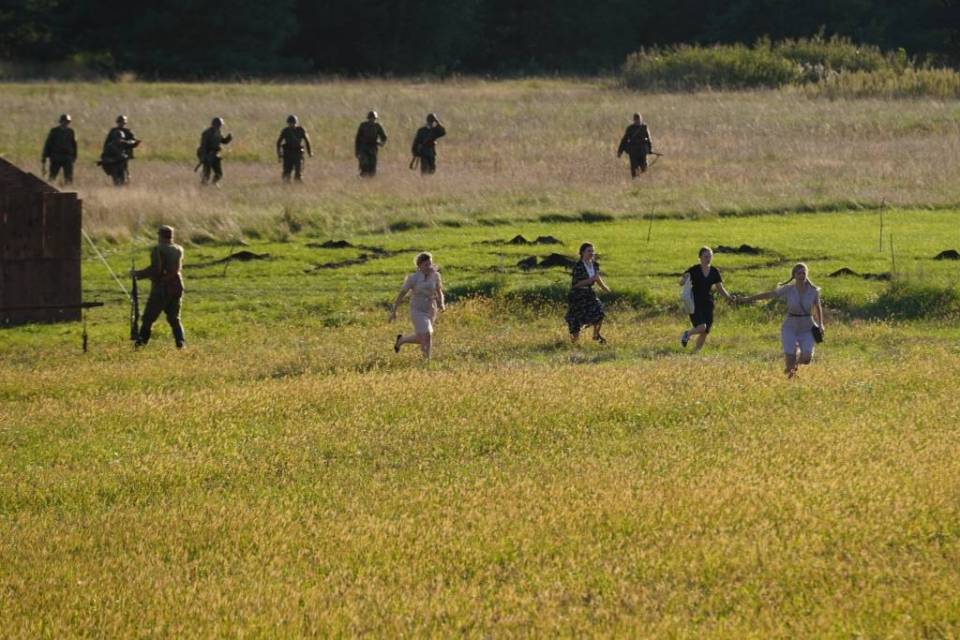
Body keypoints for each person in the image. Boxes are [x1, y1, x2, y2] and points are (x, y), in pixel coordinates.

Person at [740, 262, 825, 377]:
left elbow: (818, 307)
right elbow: (770, 294)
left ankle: (794, 365)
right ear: (794, 275)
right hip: (790, 325)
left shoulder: (813, 291)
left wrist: (821, 324)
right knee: (790, 356)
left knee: (806, 358)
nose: (801, 275)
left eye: (804, 273)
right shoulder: (788, 289)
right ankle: (790, 375)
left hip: (807, 326)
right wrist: (748, 298)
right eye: (799, 273)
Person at [132, 225, 186, 349]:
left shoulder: (158, 249)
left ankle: (140, 345)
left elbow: (156, 269)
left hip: (161, 289)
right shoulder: (179, 249)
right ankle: (181, 344)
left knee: (148, 319)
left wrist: (137, 274)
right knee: (175, 319)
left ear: (160, 235)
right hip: (176, 287)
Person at [679, 246, 737, 352]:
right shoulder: (694, 269)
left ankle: (695, 352)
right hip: (695, 302)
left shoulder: (714, 271)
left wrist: (729, 298)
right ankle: (687, 334)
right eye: (706, 256)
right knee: (702, 327)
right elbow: (681, 283)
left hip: (708, 303)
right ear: (700, 257)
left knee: (705, 331)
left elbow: (720, 288)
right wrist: (685, 278)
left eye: (710, 256)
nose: (708, 258)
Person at [389, 252, 445, 360]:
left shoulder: (436, 276)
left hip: (431, 309)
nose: (429, 267)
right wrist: (394, 311)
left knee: (422, 337)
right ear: (419, 265)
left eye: (430, 264)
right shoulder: (413, 278)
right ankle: (426, 361)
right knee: (427, 333)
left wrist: (441, 303)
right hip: (417, 309)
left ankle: (401, 340)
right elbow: (401, 294)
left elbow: (439, 291)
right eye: (426, 265)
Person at [565, 242, 611, 343]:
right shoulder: (578, 266)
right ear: (582, 253)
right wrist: (590, 280)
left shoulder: (594, 265)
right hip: (578, 295)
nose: (591, 253)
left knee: (599, 313)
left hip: (589, 294)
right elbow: (575, 284)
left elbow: (597, 278)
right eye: (589, 251)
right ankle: (574, 343)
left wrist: (605, 288)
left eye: (592, 251)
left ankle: (596, 336)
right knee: (576, 320)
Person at [99, 114, 140, 185]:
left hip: (124, 156)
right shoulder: (113, 131)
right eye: (120, 122)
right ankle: (119, 184)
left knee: (124, 172)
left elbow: (134, 142)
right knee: (116, 173)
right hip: (114, 158)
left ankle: (124, 183)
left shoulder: (128, 131)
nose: (121, 124)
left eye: (122, 122)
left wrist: (129, 143)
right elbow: (106, 144)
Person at [42, 114, 78, 186]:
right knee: (52, 176)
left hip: (67, 157)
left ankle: (68, 189)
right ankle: (49, 188)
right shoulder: (54, 131)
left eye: (67, 122)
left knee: (68, 177)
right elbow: (48, 144)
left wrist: (74, 156)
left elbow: (74, 145)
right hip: (56, 157)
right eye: (64, 121)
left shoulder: (71, 132)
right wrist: (44, 156)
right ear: (61, 121)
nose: (65, 123)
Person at [197, 117, 233, 186]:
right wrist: (203, 157)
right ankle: (203, 185)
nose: (220, 126)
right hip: (207, 155)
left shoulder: (218, 132)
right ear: (216, 124)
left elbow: (223, 141)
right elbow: (203, 146)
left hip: (215, 155)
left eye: (221, 125)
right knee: (206, 173)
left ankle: (214, 183)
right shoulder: (206, 133)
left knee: (219, 173)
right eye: (220, 125)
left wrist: (228, 138)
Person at [276, 114, 313, 182]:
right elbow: (278, 143)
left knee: (298, 172)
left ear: (296, 123)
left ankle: (297, 184)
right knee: (287, 172)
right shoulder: (285, 131)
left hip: (297, 154)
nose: (292, 125)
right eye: (290, 123)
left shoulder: (301, 130)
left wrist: (309, 152)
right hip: (288, 154)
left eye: (293, 123)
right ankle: (286, 185)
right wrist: (279, 154)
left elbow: (307, 141)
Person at [617, 113, 653, 178]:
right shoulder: (630, 128)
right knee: (634, 168)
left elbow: (649, 140)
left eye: (638, 119)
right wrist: (620, 151)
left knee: (644, 167)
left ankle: (643, 179)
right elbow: (624, 140)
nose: (637, 121)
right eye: (636, 120)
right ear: (634, 120)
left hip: (642, 151)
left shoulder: (644, 127)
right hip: (633, 151)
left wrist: (650, 150)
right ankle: (636, 180)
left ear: (641, 119)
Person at [355, 110, 387, 177]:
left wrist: (381, 143)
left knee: (372, 167)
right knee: (364, 164)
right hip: (363, 148)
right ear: (368, 118)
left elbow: (384, 137)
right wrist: (357, 151)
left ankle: (370, 179)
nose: (372, 120)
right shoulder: (363, 126)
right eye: (371, 118)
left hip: (373, 148)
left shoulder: (377, 126)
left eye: (373, 118)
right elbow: (357, 139)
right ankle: (363, 177)